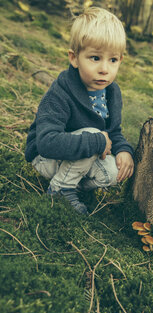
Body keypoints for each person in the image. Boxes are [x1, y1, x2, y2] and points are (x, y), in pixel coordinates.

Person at [25, 6, 134, 215]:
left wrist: (123, 150)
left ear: (120, 60)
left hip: (79, 156)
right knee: (94, 135)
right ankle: (60, 189)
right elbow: (46, 142)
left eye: (112, 60)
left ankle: (69, 183)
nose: (104, 68)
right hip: (46, 158)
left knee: (112, 172)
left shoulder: (111, 92)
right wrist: (97, 141)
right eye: (95, 58)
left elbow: (113, 131)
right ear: (74, 58)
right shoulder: (61, 92)